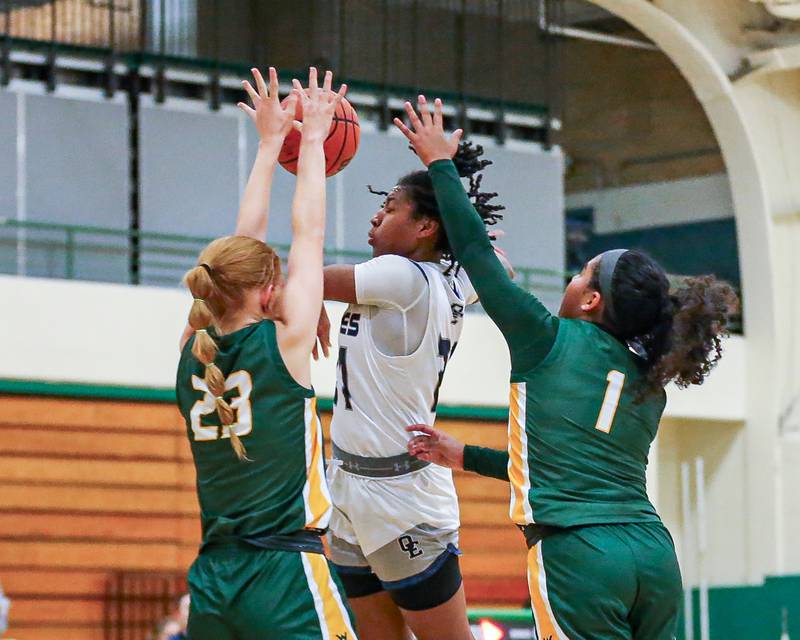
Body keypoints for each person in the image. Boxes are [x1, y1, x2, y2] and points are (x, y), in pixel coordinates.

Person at [395, 95, 739, 640]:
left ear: (591, 301)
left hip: (578, 554)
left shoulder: (545, 338)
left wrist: (440, 163)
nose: (572, 280)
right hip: (652, 554)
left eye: (581, 273)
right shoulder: (649, 382)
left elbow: (476, 253)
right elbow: (569, 465)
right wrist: (462, 455)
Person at [175, 67, 357, 640]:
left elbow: (242, 246)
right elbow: (310, 232)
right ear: (265, 291)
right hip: (283, 576)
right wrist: (311, 141)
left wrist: (270, 144)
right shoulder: (283, 344)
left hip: (211, 583)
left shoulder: (190, 351)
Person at [317, 142, 508, 640]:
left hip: (400, 495)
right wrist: (469, 251)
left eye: (391, 207)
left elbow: (303, 281)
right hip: (349, 485)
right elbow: (500, 268)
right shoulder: (447, 280)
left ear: (426, 228)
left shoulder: (398, 275)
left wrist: (310, 296)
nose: (377, 214)